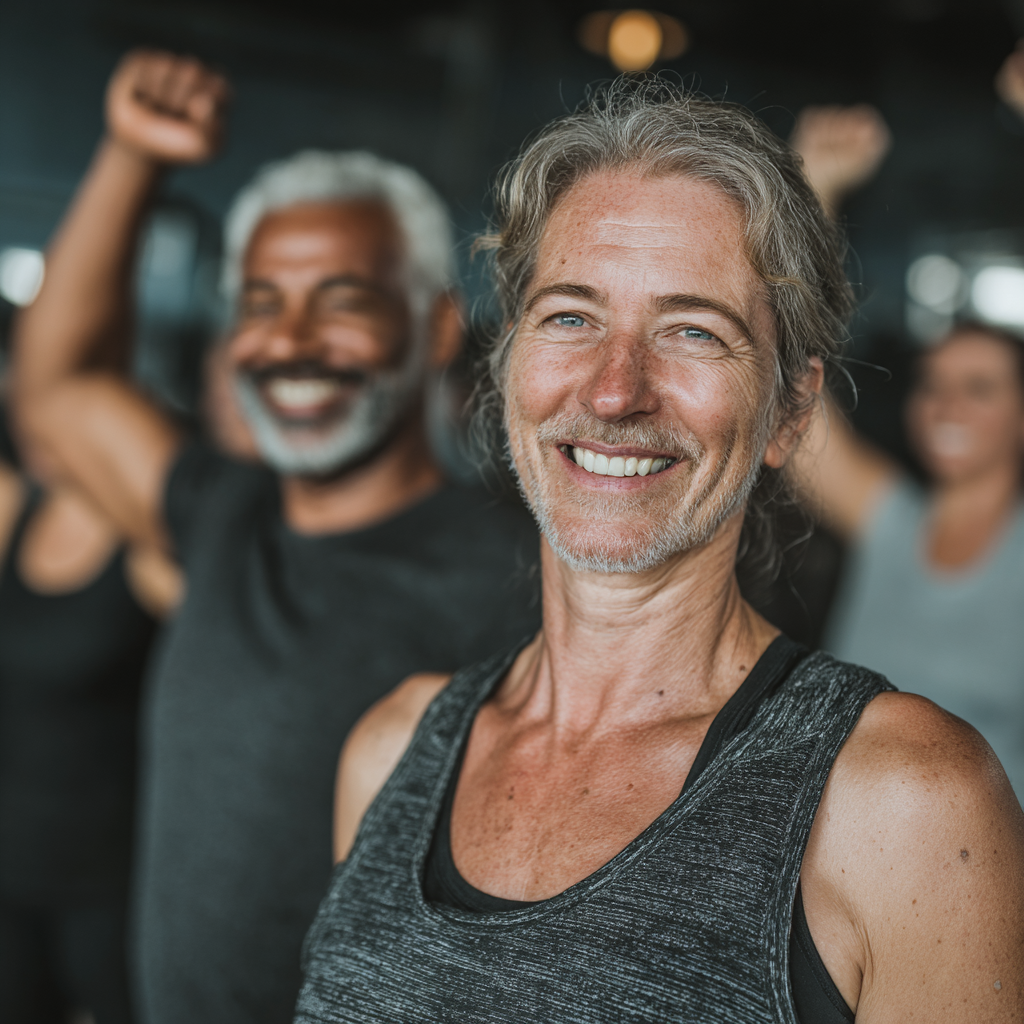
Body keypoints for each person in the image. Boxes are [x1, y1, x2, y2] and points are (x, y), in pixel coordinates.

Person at [294, 80, 1024, 1024]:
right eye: (569, 316)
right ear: (506, 361)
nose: (614, 390)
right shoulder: (393, 752)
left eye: (691, 330)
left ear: (790, 411)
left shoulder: (907, 806)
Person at [10, 50, 540, 1024]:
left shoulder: (516, 571)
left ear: (430, 331)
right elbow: (58, 385)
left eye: (341, 301)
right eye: (260, 303)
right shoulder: (220, 510)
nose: (290, 340)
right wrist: (131, 158)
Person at [788, 50, 1024, 803]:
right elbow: (796, 406)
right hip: (837, 889)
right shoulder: (893, 525)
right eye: (934, 385)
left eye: (979, 388)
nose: (946, 405)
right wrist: (814, 192)